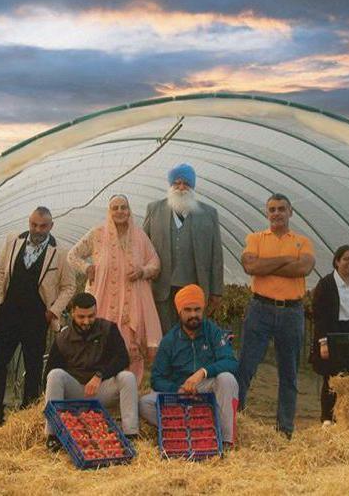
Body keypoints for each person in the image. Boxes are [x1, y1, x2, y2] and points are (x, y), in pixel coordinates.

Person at [0, 207, 77, 430]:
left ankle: (26, 418)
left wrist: (53, 310)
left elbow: (69, 286)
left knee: (33, 366)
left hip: (37, 316)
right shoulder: (13, 240)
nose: (37, 230)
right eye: (34, 225)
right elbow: (0, 271)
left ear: (51, 226)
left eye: (43, 226)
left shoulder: (60, 252)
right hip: (9, 312)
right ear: (29, 222)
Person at [237, 193, 314, 439]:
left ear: (291, 212)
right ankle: (235, 424)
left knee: (289, 372)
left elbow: (303, 268)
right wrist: (285, 260)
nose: (277, 213)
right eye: (272, 209)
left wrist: (267, 263)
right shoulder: (255, 238)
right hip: (260, 309)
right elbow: (250, 267)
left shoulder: (303, 241)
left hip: (292, 312)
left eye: (282, 209)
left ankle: (284, 430)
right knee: (246, 367)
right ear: (266, 213)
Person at [67, 195, 161, 384]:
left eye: (123, 207)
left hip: (132, 301)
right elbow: (72, 255)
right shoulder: (97, 234)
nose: (120, 211)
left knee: (130, 345)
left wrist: (142, 271)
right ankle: (103, 386)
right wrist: (86, 268)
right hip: (103, 300)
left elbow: (155, 263)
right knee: (103, 342)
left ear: (129, 210)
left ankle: (129, 389)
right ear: (109, 212)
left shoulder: (140, 236)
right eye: (115, 208)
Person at [139, 284, 239, 445]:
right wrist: (177, 390)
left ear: (203, 309)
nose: (193, 315)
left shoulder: (213, 332)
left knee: (227, 379)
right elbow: (156, 379)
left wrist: (203, 372)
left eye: (197, 310)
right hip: (181, 394)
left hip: (206, 389)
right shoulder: (169, 340)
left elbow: (231, 362)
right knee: (145, 404)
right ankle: (191, 428)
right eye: (188, 310)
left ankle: (225, 440)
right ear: (179, 311)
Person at [44, 292, 138, 451]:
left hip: (100, 389)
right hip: (75, 390)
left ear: (96, 312)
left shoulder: (109, 329)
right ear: (73, 312)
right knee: (54, 375)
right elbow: (50, 370)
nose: (86, 321)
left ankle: (131, 435)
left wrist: (100, 375)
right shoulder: (62, 337)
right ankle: (53, 435)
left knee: (127, 377)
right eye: (81, 317)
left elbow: (123, 359)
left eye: (91, 316)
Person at [143, 163, 224, 333]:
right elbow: (143, 246)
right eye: (177, 183)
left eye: (186, 183)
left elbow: (216, 254)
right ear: (170, 185)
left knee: (192, 331)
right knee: (165, 332)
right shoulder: (154, 209)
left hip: (194, 285)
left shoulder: (209, 213)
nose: (181, 187)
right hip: (162, 287)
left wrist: (216, 291)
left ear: (192, 186)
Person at [309, 245, 349, 427]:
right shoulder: (326, 284)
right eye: (346, 259)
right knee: (332, 377)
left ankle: (348, 418)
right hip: (333, 332)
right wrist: (323, 342)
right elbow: (319, 315)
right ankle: (327, 418)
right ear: (337, 261)